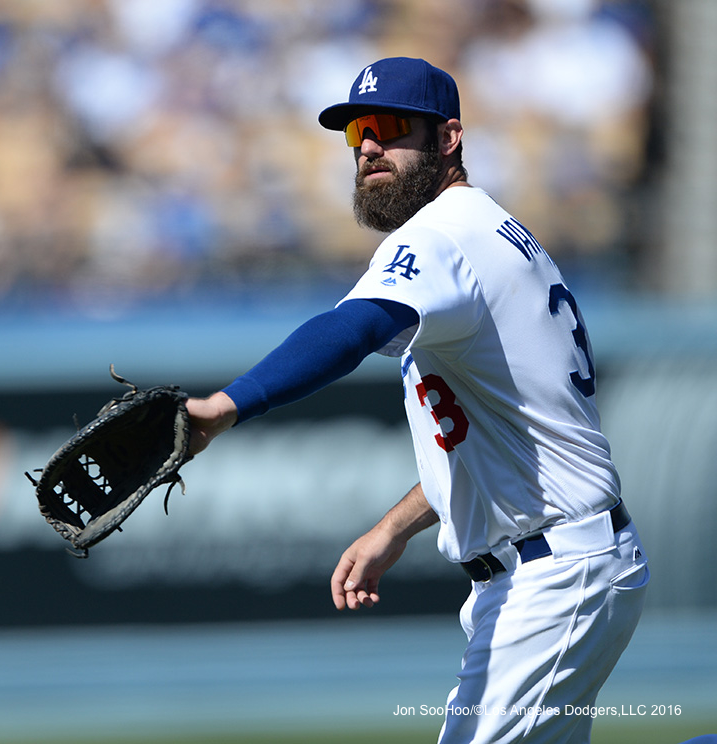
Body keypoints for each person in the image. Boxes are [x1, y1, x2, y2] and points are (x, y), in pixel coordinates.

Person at [186, 57, 648, 744]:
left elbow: (350, 329)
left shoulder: (441, 236)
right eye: (355, 133)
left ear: (449, 138)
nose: (368, 145)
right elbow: (495, 436)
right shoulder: (486, 230)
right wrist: (393, 527)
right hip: (553, 562)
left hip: (555, 573)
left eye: (389, 127)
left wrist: (225, 406)